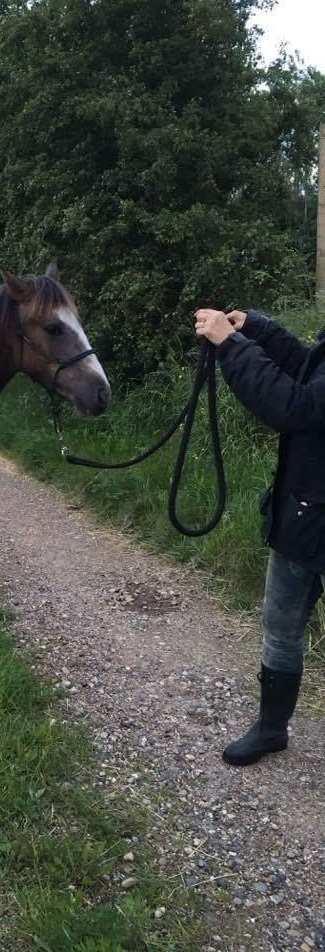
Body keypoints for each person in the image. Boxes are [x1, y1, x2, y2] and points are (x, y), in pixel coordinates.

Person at [194, 306, 325, 766]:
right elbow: (310, 371)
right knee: (280, 628)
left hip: (312, 511)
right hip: (306, 515)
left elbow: (296, 407)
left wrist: (230, 346)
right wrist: (259, 329)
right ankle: (272, 729)